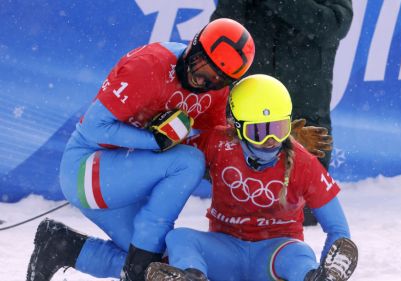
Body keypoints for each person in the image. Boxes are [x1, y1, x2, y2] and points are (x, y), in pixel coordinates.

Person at [25, 18, 256, 281]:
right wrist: (154, 140)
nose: (203, 80)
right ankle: (146, 251)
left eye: (216, 79)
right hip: (86, 168)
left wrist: (277, 140)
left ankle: (60, 246)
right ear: (194, 46)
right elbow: (92, 127)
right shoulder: (148, 65)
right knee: (189, 161)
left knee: (163, 267)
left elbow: (211, 141)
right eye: (203, 66)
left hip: (123, 176)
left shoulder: (216, 92)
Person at [145, 74, 358, 281]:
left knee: (300, 254)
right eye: (259, 132)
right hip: (225, 252)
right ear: (237, 128)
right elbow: (172, 160)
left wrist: (331, 262)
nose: (271, 141)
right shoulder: (218, 143)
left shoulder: (304, 162)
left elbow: (338, 229)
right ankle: (192, 277)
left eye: (279, 129)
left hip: (276, 256)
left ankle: (318, 278)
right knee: (179, 237)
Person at [210, 0, 353, 226]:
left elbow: (335, 25)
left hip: (306, 93)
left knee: (301, 216)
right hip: (253, 93)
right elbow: (223, 28)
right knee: (240, 213)